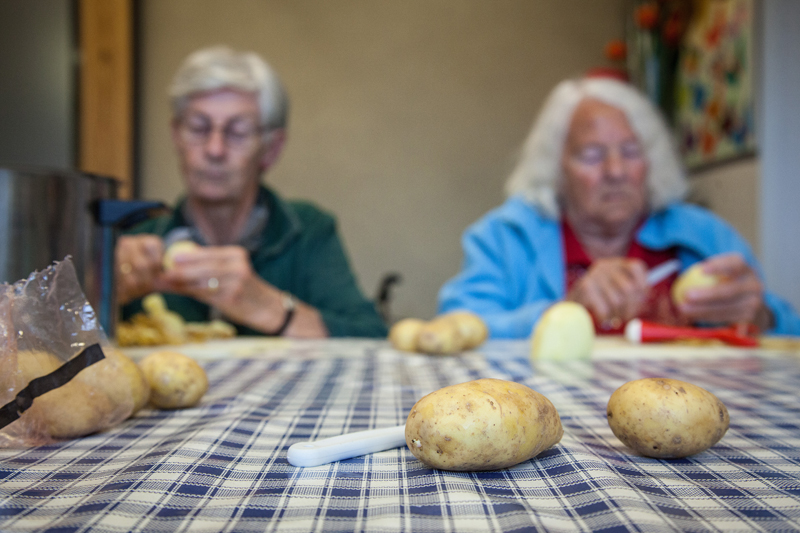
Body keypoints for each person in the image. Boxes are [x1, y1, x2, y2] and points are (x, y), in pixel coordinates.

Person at [438, 76, 800, 339]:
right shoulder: (504, 236)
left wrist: (761, 316)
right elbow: (455, 325)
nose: (616, 171)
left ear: (651, 162)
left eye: (630, 151)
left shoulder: (704, 233)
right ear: (555, 168)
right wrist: (564, 312)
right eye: (592, 155)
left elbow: (788, 327)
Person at [116, 46, 387, 338]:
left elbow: (370, 337)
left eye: (237, 131)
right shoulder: (137, 238)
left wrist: (269, 307)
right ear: (176, 137)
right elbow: (70, 353)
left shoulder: (309, 230)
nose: (214, 149)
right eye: (198, 127)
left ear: (271, 149)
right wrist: (104, 293)